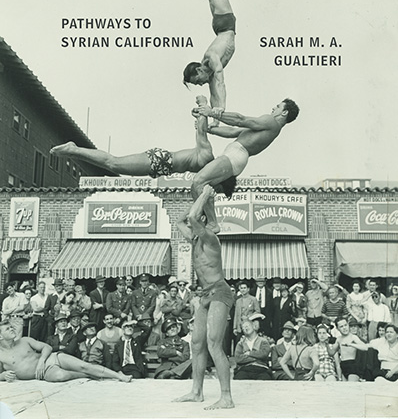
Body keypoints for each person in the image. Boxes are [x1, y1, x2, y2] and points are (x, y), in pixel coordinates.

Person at [49, 97, 234, 199]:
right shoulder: (207, 157)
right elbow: (202, 131)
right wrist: (202, 105)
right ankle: (73, 150)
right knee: (114, 164)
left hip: (161, 163)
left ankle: (74, 153)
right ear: (221, 179)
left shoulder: (207, 168)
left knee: (113, 165)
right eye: (218, 188)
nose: (213, 189)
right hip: (161, 161)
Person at [192, 99, 299, 230]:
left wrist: (211, 113)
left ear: (284, 112)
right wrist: (208, 129)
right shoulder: (268, 128)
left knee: (198, 181)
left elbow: (240, 119)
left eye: (278, 107)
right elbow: (233, 131)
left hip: (235, 156)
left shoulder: (272, 122)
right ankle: (207, 220)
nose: (273, 108)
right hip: (235, 156)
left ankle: (212, 222)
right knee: (202, 187)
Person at [174, 184, 235, 409]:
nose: (195, 223)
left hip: (220, 291)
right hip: (205, 294)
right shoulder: (195, 238)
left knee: (213, 344)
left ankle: (226, 397)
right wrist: (199, 203)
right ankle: (196, 392)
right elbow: (181, 221)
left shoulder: (211, 238)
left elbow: (190, 217)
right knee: (197, 343)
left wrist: (205, 194)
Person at [182, 0, 236, 114]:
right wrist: (216, 116)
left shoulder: (211, 58)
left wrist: (222, 108)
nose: (201, 83)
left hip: (225, 22)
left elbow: (221, 81)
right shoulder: (210, 72)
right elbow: (214, 95)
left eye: (198, 80)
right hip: (222, 26)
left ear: (199, 69)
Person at [0, 319, 131, 382]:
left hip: (51, 358)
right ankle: (89, 375)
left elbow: (47, 347)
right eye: (8, 329)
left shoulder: (24, 340)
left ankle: (119, 376)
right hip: (44, 374)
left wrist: (41, 361)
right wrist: (3, 376)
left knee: (83, 365)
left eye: (12, 327)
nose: (12, 329)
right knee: (61, 376)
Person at [331, 317, 368, 381]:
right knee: (344, 388)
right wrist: (327, 344)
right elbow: (331, 352)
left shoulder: (353, 337)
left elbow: (365, 347)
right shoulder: (339, 339)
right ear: (337, 328)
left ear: (348, 325)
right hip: (343, 365)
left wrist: (351, 344)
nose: (344, 328)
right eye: (341, 326)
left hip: (352, 365)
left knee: (351, 387)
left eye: (345, 325)